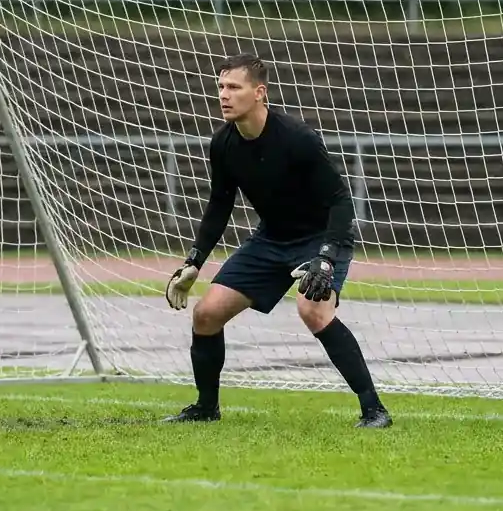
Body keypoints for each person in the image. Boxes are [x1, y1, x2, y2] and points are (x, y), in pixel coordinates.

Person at [161, 52, 392, 429]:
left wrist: (326, 257)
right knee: (206, 314)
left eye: (233, 87)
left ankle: (374, 409)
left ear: (259, 93)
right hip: (271, 239)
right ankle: (206, 408)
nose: (224, 94)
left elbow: (339, 201)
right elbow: (220, 204)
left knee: (313, 311)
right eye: (221, 87)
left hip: (320, 238)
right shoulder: (222, 143)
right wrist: (194, 260)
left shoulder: (298, 138)